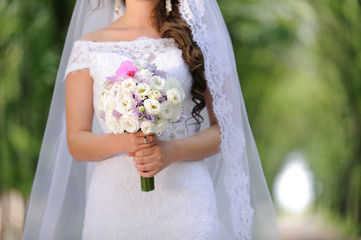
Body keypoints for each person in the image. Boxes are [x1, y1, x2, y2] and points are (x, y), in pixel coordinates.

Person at [22, 0, 281, 239]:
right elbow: (77, 142)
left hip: (187, 202)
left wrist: (171, 151)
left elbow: (226, 130)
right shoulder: (88, 47)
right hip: (113, 206)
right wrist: (126, 143)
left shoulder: (199, 41)